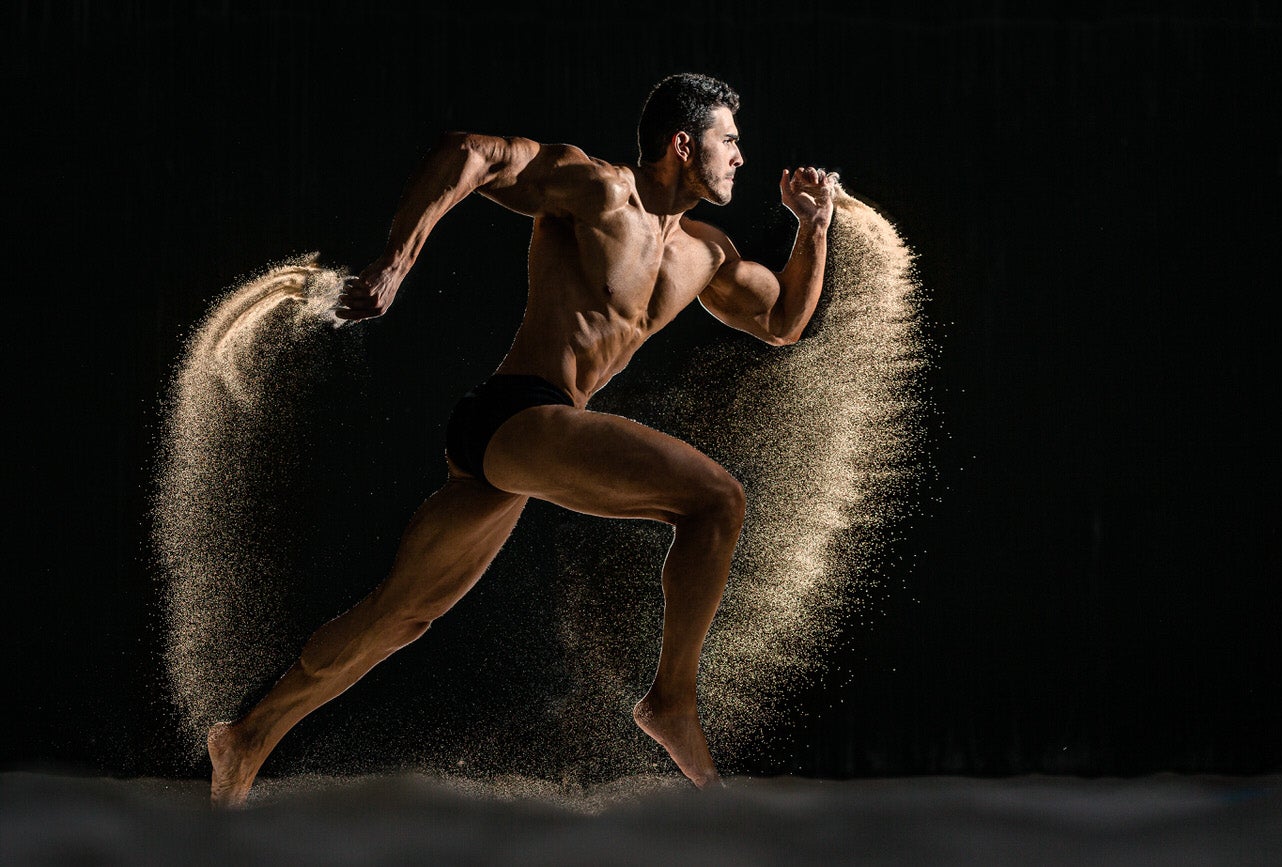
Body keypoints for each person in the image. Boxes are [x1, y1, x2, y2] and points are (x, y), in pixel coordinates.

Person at [207, 72, 839, 808]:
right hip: (516, 414)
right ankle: (671, 703)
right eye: (728, 139)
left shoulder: (706, 254)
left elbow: (785, 321)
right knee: (716, 500)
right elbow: (469, 152)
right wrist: (397, 260)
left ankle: (246, 736)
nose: (741, 156)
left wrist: (814, 223)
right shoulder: (600, 191)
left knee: (397, 618)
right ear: (681, 142)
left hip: (522, 446)